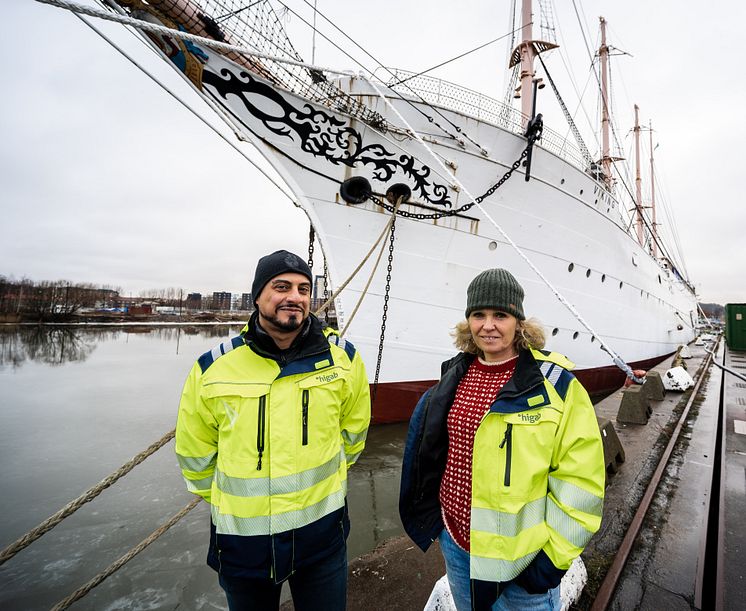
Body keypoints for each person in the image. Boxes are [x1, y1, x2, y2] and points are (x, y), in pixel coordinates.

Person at [175, 250, 371, 611]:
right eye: (281, 286)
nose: (294, 297)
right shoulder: (214, 368)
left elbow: (353, 434)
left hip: (321, 537)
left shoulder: (343, 359)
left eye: (303, 288)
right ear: (258, 296)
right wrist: (234, 502)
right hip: (243, 544)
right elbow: (195, 455)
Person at [399, 268, 605, 611]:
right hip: (458, 546)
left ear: (519, 322)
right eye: (478, 315)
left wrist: (550, 561)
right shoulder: (455, 377)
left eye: (500, 315)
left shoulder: (556, 387)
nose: (488, 325)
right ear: (468, 322)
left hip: (522, 560)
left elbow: (580, 483)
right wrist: (438, 525)